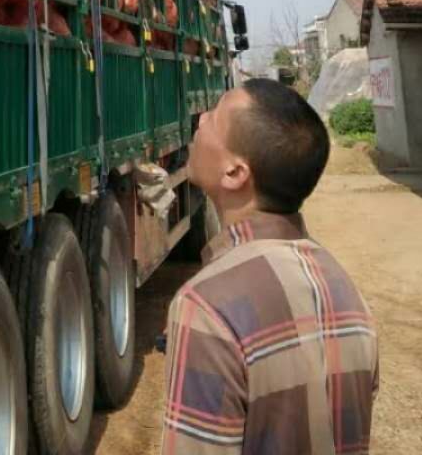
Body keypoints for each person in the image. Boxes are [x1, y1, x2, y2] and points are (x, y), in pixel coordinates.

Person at [161, 79, 379, 454]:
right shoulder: (348, 295)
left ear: (235, 172)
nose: (200, 121)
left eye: (213, 119)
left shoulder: (206, 307)